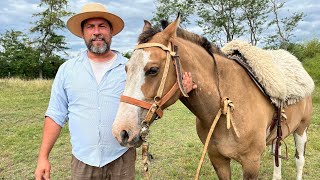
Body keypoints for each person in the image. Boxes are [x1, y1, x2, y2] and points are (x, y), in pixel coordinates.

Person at [34, 2, 196, 180]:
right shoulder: (67, 70)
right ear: (83, 33)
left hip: (121, 158)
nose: (96, 31)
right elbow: (56, 114)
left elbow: (148, 102)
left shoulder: (130, 67)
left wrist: (178, 90)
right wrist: (43, 157)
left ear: (111, 32)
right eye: (90, 27)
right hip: (82, 161)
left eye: (102, 26)